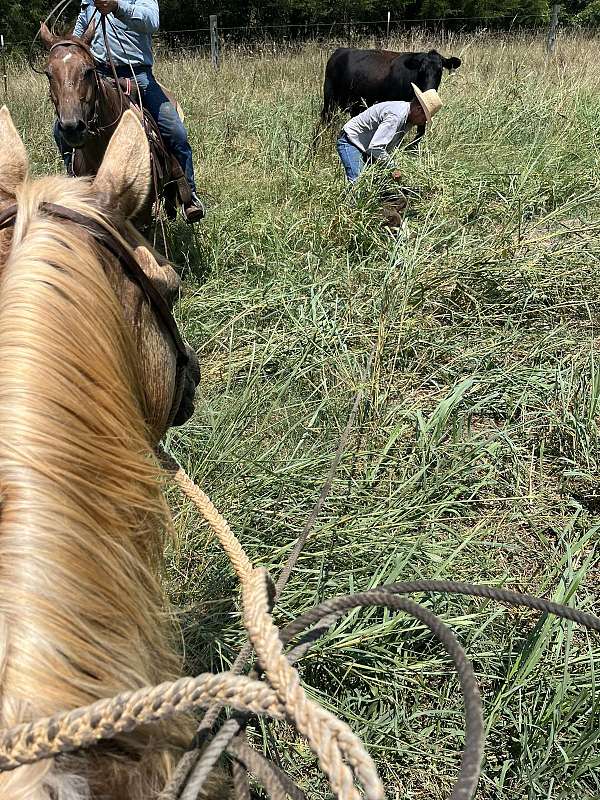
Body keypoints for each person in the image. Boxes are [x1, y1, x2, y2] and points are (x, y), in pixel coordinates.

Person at [55, 0, 205, 223]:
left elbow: (152, 21)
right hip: (98, 76)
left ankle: (187, 192)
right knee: (60, 129)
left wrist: (117, 7)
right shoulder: (88, 1)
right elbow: (79, 36)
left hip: (138, 75)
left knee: (174, 130)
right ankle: (74, 177)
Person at [336, 84, 443, 183]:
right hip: (351, 141)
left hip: (366, 147)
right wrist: (392, 167)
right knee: (358, 183)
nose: (423, 122)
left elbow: (385, 146)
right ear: (419, 110)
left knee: (376, 183)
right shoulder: (396, 116)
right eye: (425, 118)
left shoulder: (408, 119)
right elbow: (375, 147)